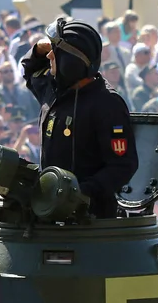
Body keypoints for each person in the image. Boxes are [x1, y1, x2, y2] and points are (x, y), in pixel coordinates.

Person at [22, 18, 138, 219]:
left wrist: (80, 192)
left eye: (55, 53)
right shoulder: (54, 90)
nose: (49, 56)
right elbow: (30, 70)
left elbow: (122, 165)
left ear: (70, 63)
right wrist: (39, 50)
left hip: (91, 219)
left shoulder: (106, 104)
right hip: (50, 209)